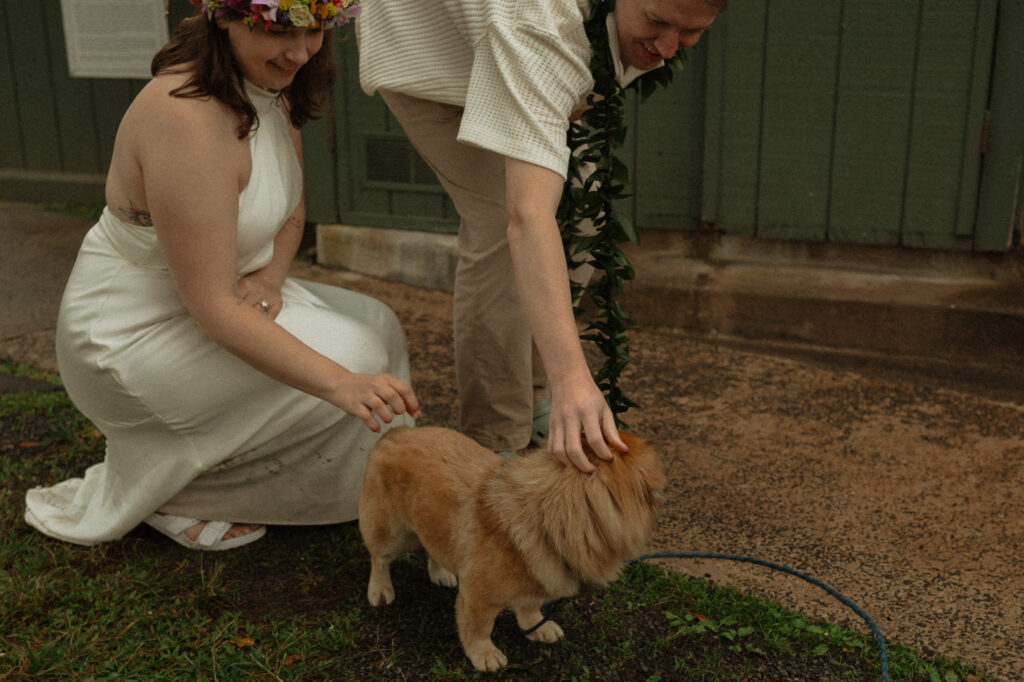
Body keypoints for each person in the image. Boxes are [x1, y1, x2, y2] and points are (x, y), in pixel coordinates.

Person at [24, 0, 421, 551]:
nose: (299, 53)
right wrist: (340, 382)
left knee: (378, 321)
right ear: (228, 17)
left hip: (222, 295)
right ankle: (180, 492)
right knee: (354, 355)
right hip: (131, 334)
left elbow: (292, 209)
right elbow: (213, 308)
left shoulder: (270, 89)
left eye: (316, 31)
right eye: (281, 30)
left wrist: (271, 279)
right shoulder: (185, 117)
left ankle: (376, 486)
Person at [357, 0, 725, 472]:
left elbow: (589, 71)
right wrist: (573, 375)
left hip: (524, 49)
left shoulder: (640, 21)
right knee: (498, 225)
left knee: (584, 210)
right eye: (656, 22)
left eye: (691, 32)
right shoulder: (539, 21)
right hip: (434, 60)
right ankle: (495, 436)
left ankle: (536, 397)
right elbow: (527, 216)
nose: (670, 47)